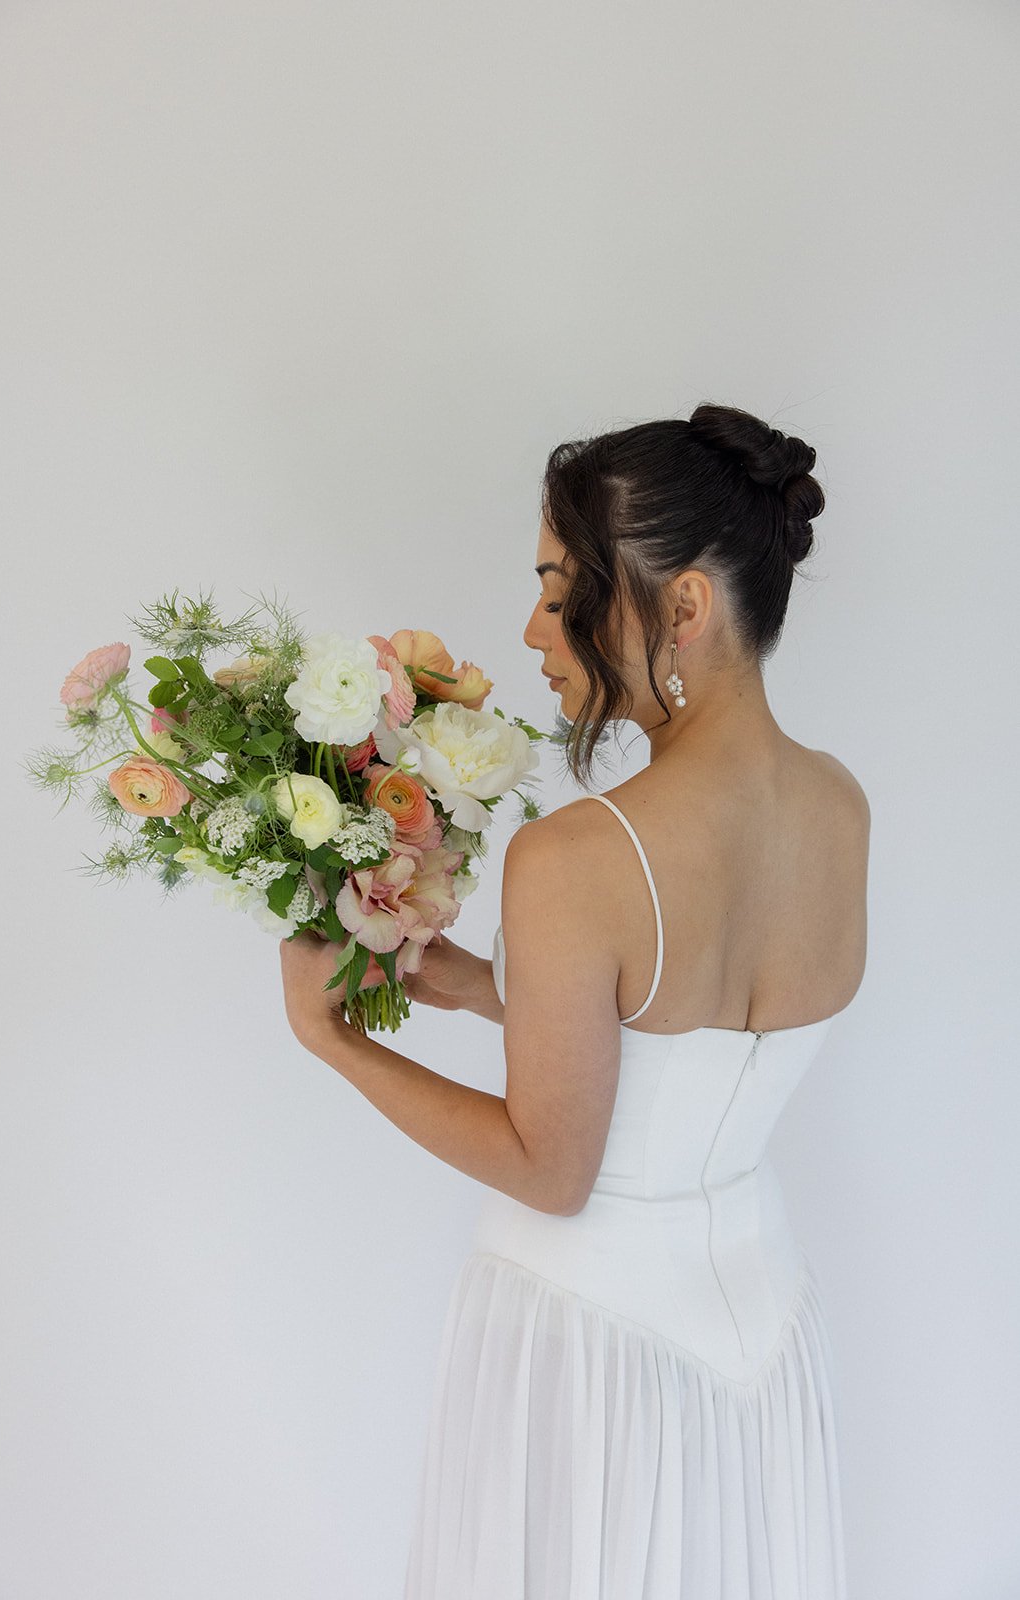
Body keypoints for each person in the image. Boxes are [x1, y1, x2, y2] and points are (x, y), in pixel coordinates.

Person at [281, 401, 869, 1598]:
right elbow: (693, 1050)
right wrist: (497, 993)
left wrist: (328, 1037)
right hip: (761, 1329)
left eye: (562, 589)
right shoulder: (838, 807)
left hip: (586, 1344)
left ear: (684, 606)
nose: (535, 629)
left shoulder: (574, 856)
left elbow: (552, 1167)